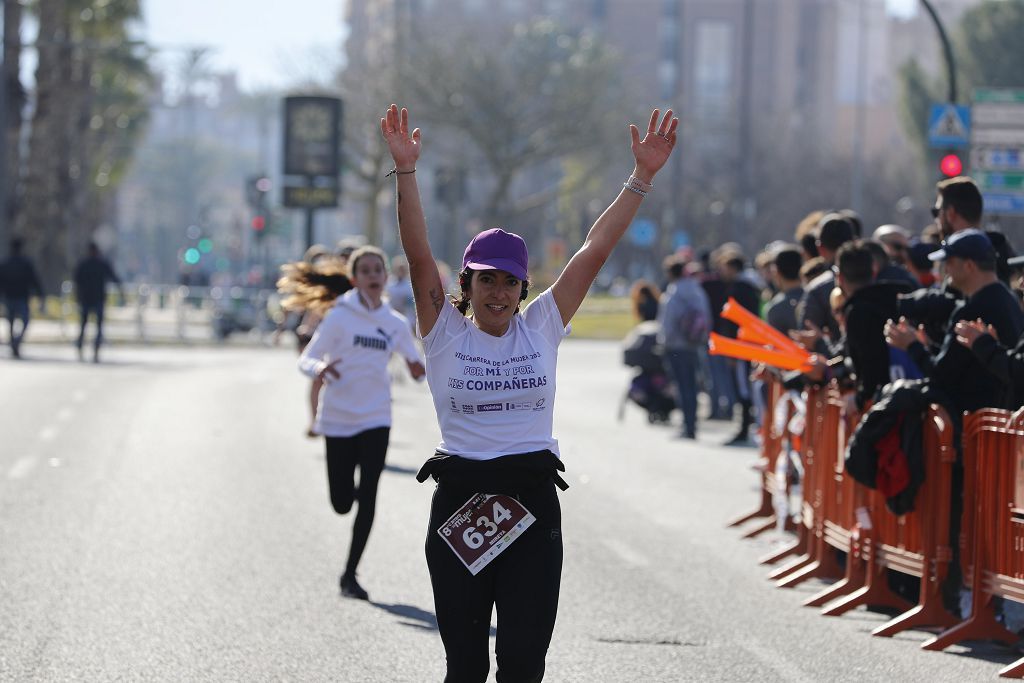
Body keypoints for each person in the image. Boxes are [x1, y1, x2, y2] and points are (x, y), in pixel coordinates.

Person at [381, 102, 677, 682]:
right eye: (485, 279)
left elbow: (593, 252)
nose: (497, 292)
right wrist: (407, 172)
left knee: (522, 664)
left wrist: (640, 178)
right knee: (464, 667)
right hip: (462, 500)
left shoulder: (541, 324)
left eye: (509, 281)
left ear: (523, 288)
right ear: (465, 284)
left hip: (531, 504)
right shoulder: (443, 332)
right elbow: (419, 257)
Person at [297, 245, 425, 601]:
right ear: (354, 279)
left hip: (376, 418)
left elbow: (416, 364)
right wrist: (320, 369)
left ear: (385, 278)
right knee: (342, 502)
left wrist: (417, 370)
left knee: (368, 495)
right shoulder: (339, 316)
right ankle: (348, 500)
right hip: (338, 419)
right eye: (365, 270)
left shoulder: (394, 324)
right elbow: (307, 360)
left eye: (377, 270)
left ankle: (350, 574)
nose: (372, 276)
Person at [885, 229, 1024, 414]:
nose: (945, 268)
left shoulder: (972, 309)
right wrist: (930, 347)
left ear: (969, 266)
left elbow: (942, 376)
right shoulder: (1007, 299)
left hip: (975, 425)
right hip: (993, 422)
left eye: (949, 261)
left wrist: (912, 345)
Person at [277, 248, 353, 436]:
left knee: (338, 380)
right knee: (318, 379)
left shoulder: (353, 285)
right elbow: (314, 309)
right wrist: (305, 328)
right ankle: (315, 422)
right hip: (321, 335)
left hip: (345, 339)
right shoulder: (330, 285)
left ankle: (343, 419)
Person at [658, 255, 710, 439]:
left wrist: (663, 341)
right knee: (693, 386)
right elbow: (706, 316)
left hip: (676, 346)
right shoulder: (696, 290)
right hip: (694, 344)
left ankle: (686, 425)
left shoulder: (673, 293)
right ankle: (693, 424)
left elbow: (668, 322)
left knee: (681, 386)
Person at [72, 242, 123, 363]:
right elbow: (113, 277)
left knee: (91, 326)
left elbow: (76, 280)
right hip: (93, 299)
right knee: (89, 325)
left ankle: (91, 346)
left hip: (91, 299)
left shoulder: (88, 264)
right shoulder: (95, 264)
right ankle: (86, 345)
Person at [0, 237, 44, 359]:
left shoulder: (7, 263)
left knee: (11, 322)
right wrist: (40, 294)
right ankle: (15, 342)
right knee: (22, 321)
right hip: (20, 297)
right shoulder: (23, 263)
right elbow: (35, 280)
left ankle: (14, 342)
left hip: (11, 297)